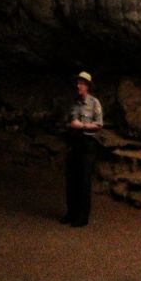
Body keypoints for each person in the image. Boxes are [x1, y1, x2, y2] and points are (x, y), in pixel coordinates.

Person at [62, 70, 103, 228]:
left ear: (87, 86)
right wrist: (70, 126)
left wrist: (82, 126)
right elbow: (68, 121)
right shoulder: (74, 103)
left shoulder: (94, 103)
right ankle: (71, 212)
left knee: (84, 181)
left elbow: (99, 125)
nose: (78, 86)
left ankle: (82, 216)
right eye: (77, 83)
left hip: (87, 145)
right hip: (74, 143)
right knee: (71, 180)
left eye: (81, 83)